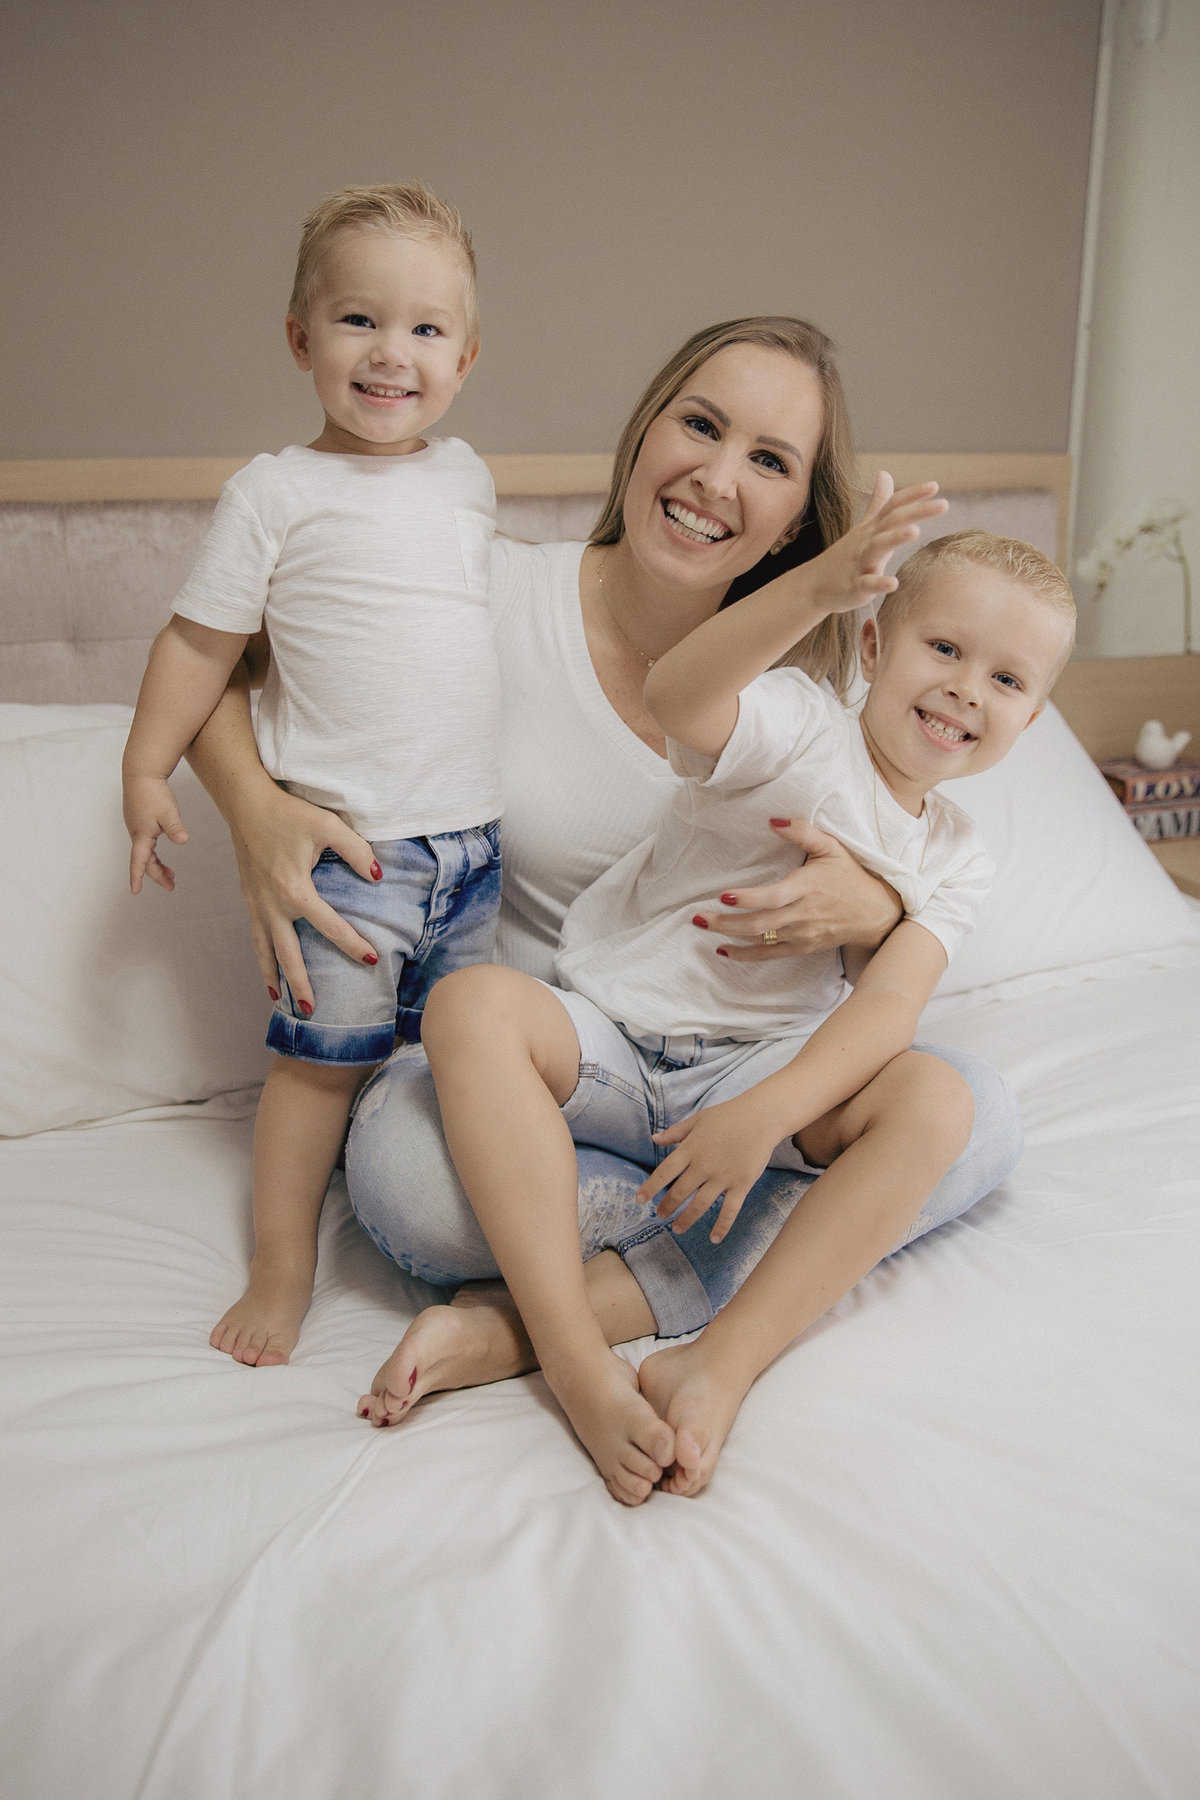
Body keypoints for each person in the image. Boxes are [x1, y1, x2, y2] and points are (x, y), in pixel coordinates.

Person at [186, 317, 1024, 1443]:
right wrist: (256, 811)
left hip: (743, 1095)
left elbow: (899, 914)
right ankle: (699, 1263)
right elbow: (216, 663)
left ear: (799, 517)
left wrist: (884, 904)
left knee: (979, 1119)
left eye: (770, 461)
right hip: (545, 1077)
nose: (718, 478)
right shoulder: (480, 590)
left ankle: (538, 1319)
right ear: (645, 432)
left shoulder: (829, 688)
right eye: (701, 424)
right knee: (407, 1182)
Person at [407, 527, 1075, 1502]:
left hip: (752, 1075)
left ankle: (715, 1362)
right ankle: (573, 1359)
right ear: (877, 647)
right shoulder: (802, 727)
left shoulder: (957, 854)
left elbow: (888, 1005)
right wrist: (814, 593)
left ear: (1034, 715)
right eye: (946, 649)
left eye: (1008, 681)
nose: (970, 688)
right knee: (467, 1007)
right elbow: (676, 695)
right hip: (612, 1038)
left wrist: (763, 1116)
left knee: (938, 1102)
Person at [121, 182, 502, 1368]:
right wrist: (145, 770)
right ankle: (283, 1264)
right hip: (352, 855)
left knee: (452, 1068)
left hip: (476, 851)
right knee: (315, 1071)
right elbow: (200, 645)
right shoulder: (275, 490)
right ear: (300, 339)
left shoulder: (469, 482)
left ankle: (443, 1232)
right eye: (357, 322)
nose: (393, 354)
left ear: (467, 356)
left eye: (426, 330)